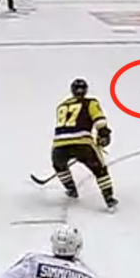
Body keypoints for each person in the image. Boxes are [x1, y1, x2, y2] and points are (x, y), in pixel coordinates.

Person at [51, 78, 117, 210]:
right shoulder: (90, 103)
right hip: (83, 144)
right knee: (100, 169)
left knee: (60, 166)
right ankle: (109, 198)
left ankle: (71, 189)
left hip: (59, 146)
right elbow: (99, 120)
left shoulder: (61, 106)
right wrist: (103, 134)